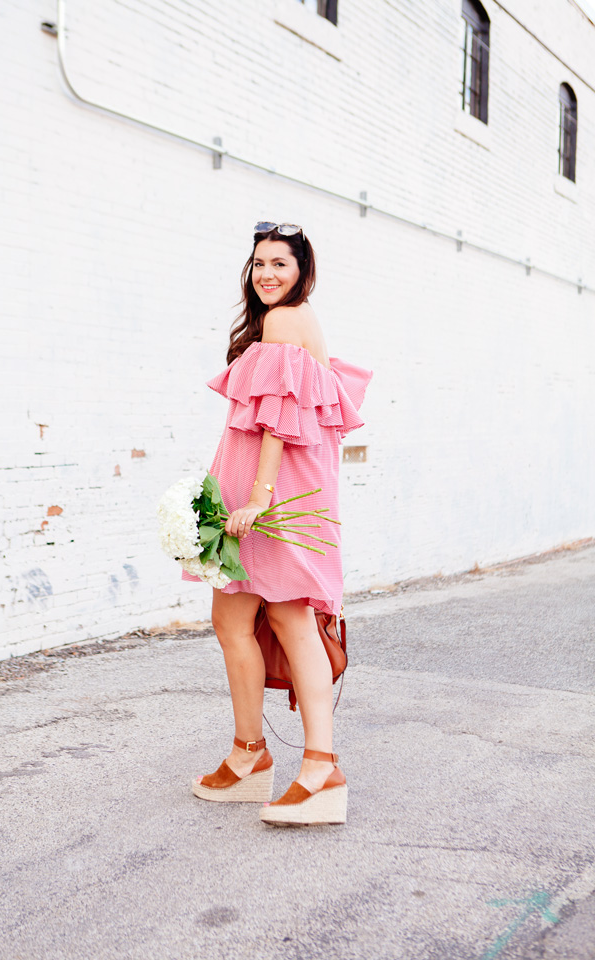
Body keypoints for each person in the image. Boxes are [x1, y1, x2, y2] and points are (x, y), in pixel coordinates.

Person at [183, 221, 372, 825]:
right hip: (254, 494)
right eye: (259, 263)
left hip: (274, 494)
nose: (267, 274)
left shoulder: (287, 320)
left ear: (302, 273)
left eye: (280, 265)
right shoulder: (277, 322)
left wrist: (260, 496)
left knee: (291, 614)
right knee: (231, 617)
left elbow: (277, 422)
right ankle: (249, 758)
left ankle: (320, 770)